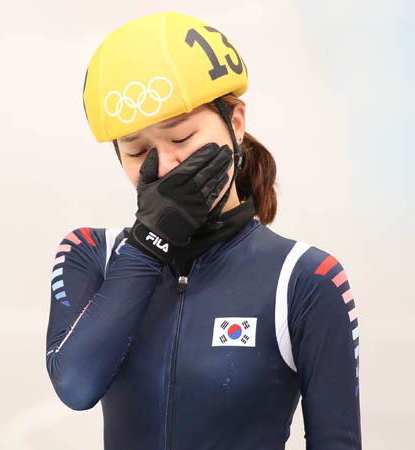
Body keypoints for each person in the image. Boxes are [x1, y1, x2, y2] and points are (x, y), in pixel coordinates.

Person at [44, 11, 362, 450]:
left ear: (235, 124)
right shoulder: (90, 253)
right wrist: (150, 240)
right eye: (137, 151)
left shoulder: (307, 279)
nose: (166, 167)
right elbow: (76, 384)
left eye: (181, 139)